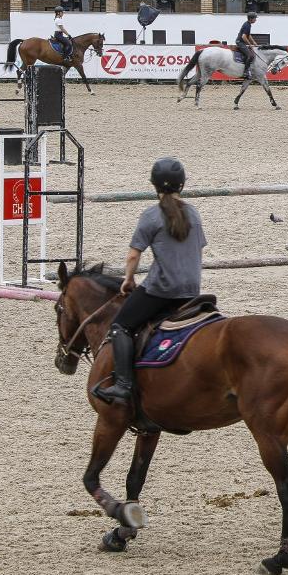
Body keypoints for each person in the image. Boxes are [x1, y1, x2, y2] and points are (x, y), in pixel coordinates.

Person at [93, 158, 207, 405]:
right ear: (182, 185)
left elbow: (134, 254)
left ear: (154, 185)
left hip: (162, 289)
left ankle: (123, 385)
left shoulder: (151, 215)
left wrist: (128, 279)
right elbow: (197, 249)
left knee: (120, 326)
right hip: (192, 290)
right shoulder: (194, 214)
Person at [235, 11, 258, 79]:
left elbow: (248, 35)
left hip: (241, 42)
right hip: (240, 42)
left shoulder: (248, 24)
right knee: (250, 56)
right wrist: (250, 45)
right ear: (251, 19)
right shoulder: (247, 25)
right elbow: (244, 36)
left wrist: (253, 42)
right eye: (255, 18)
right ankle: (245, 71)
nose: (255, 20)